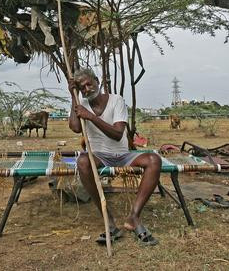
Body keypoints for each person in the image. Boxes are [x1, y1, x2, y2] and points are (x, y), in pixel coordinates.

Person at [68, 67, 160, 246]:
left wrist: (92, 118)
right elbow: (75, 128)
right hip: (99, 156)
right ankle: (108, 218)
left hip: (123, 154)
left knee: (154, 160)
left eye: (89, 84)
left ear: (97, 81)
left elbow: (118, 133)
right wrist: (73, 96)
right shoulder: (80, 103)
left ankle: (134, 217)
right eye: (82, 87)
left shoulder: (116, 100)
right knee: (83, 161)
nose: (87, 89)